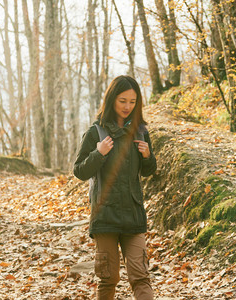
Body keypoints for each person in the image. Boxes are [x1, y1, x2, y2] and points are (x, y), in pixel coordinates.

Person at [73, 75, 156, 300]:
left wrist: (148, 156)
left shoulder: (141, 131)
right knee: (108, 278)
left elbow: (149, 171)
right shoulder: (96, 132)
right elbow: (79, 171)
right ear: (111, 100)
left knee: (140, 276)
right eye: (122, 101)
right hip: (105, 216)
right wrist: (98, 153)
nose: (128, 106)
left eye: (132, 101)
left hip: (133, 214)